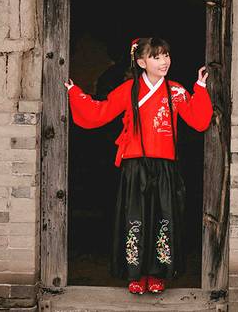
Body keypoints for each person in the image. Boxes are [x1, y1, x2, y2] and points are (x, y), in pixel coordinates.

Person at [64, 37, 213, 295]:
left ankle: (157, 274)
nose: (164, 61)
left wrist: (200, 87)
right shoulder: (129, 90)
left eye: (166, 55)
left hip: (165, 165)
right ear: (142, 62)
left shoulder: (176, 91)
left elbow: (199, 121)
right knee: (135, 218)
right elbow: (100, 112)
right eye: (156, 57)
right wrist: (74, 93)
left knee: (163, 219)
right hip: (135, 166)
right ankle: (135, 274)